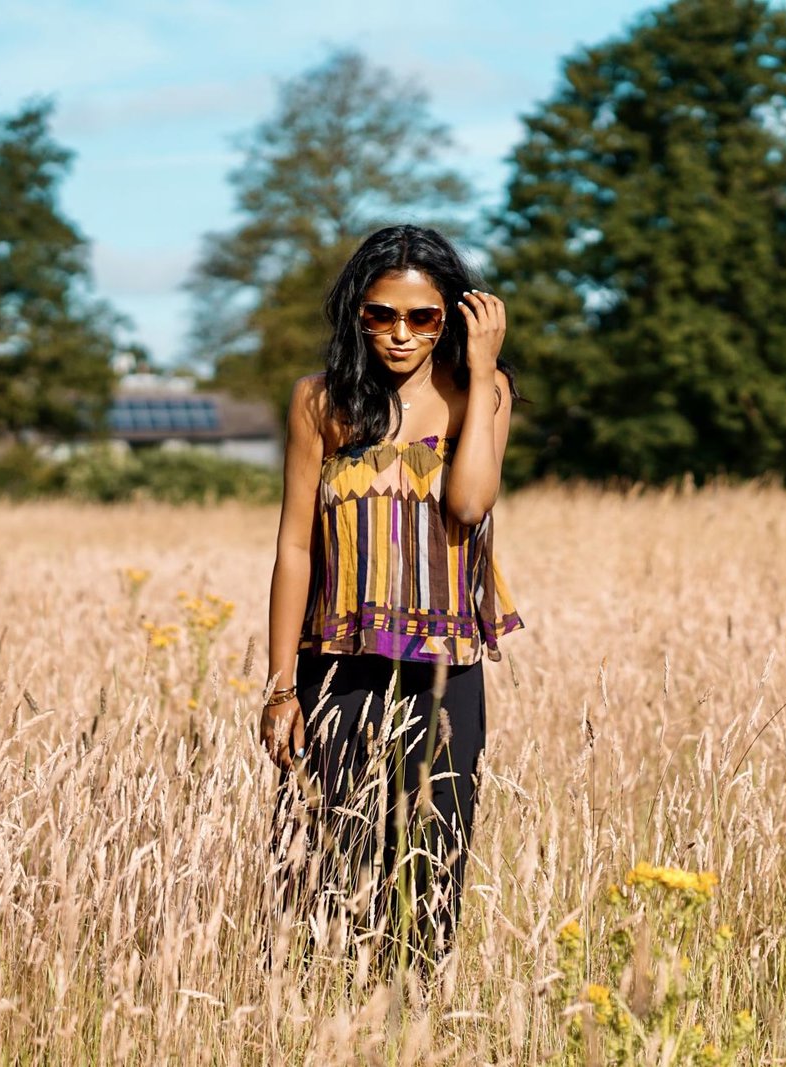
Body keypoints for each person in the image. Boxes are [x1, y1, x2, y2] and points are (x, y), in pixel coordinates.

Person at [260, 224, 524, 974]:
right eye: (380, 313)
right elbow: (294, 546)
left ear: (453, 318)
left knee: (429, 871)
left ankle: (409, 1032)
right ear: (356, 314)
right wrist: (281, 687)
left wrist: (480, 367)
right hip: (335, 669)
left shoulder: (484, 393)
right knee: (316, 869)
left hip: (444, 672)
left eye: (422, 316)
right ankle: (311, 1026)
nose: (399, 332)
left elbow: (469, 505)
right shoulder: (319, 403)